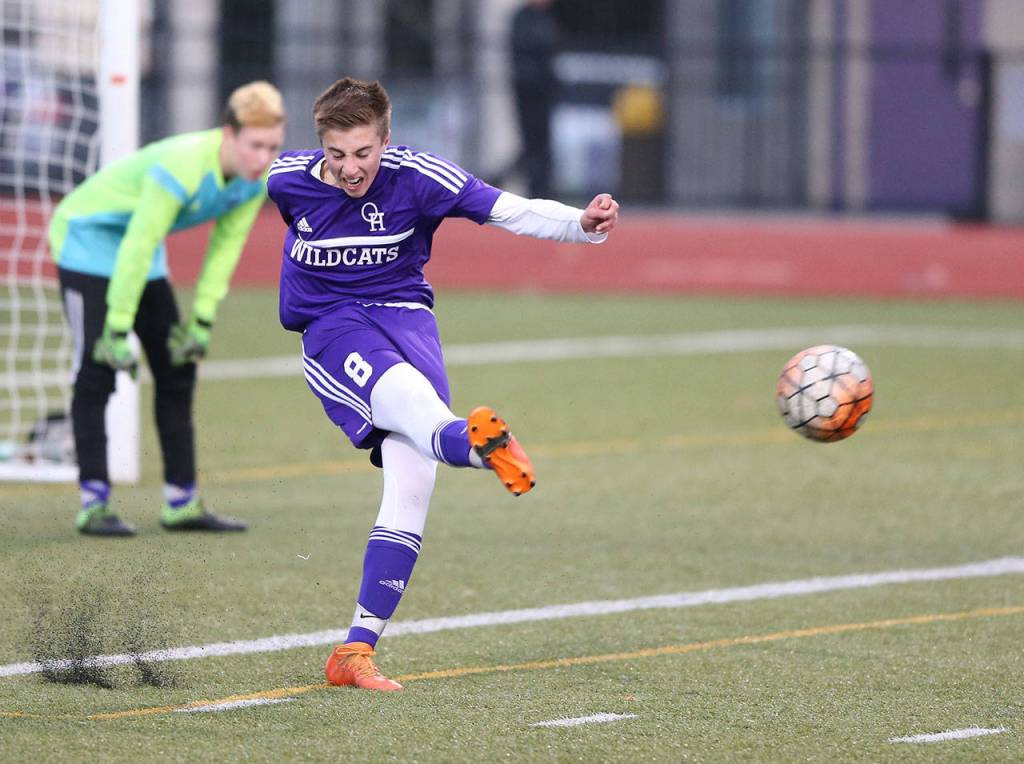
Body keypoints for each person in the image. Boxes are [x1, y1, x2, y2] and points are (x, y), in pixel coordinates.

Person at [266, 77, 618, 691]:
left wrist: (581, 224)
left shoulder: (419, 176)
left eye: (363, 152)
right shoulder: (286, 180)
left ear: (386, 141)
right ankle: (480, 446)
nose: (350, 168)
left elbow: (508, 209)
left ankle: (354, 652)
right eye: (337, 154)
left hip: (408, 322)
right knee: (417, 411)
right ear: (320, 144)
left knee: (413, 483)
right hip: (332, 329)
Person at [49, 81, 287, 536]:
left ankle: (181, 502)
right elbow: (138, 243)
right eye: (255, 145)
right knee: (97, 369)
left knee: (177, 367)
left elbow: (224, 249)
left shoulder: (253, 182)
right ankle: (93, 504)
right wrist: (117, 329)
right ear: (229, 134)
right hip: (88, 240)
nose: (263, 158)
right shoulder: (183, 165)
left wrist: (201, 320)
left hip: (142, 248)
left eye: (273, 147)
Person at [504, 0, 559, 197]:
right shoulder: (522, 19)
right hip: (528, 93)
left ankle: (542, 190)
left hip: (543, 93)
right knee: (532, 147)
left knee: (541, 147)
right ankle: (533, 189)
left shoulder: (546, 18)